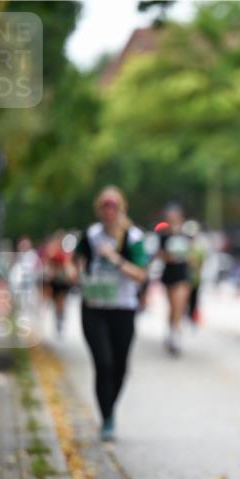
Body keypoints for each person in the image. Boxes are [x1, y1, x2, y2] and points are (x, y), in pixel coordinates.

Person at [74, 186, 148, 442]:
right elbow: (78, 262)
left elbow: (141, 274)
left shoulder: (133, 237)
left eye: (113, 205)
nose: (109, 210)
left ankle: (109, 407)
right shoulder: (91, 235)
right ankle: (107, 417)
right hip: (94, 307)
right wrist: (80, 275)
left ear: (121, 208)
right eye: (104, 205)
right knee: (103, 364)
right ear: (99, 209)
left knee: (120, 366)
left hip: (123, 308)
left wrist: (115, 259)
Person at [156, 203, 193, 355]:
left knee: (180, 305)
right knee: (172, 307)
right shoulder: (163, 236)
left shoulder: (187, 235)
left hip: (182, 274)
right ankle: (171, 331)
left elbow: (193, 253)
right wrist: (168, 257)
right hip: (169, 274)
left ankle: (176, 335)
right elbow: (160, 255)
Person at [42, 231, 76, 335]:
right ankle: (58, 316)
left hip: (62, 280)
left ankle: (60, 317)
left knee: (61, 300)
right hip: (54, 279)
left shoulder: (66, 252)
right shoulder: (52, 251)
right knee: (56, 301)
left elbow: (68, 265)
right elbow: (48, 264)